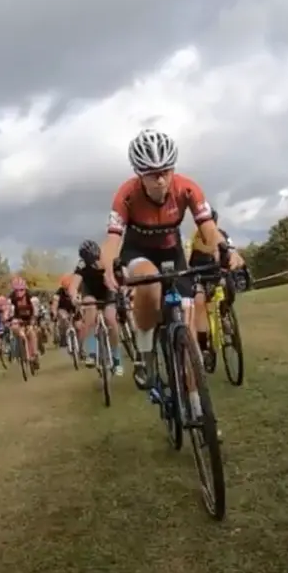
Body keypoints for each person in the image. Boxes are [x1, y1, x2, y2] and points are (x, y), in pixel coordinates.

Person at [99, 128, 245, 402]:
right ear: (139, 174)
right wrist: (107, 266)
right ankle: (146, 356)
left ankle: (197, 408)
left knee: (187, 331)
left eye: (166, 171)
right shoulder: (126, 195)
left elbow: (208, 229)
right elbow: (112, 240)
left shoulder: (187, 188)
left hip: (172, 251)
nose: (160, 180)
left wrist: (225, 249)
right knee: (150, 283)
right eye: (151, 174)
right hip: (138, 251)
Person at [70, 240, 124, 377]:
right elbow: (73, 285)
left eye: (97, 259)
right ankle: (92, 351)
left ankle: (117, 358)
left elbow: (113, 280)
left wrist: (117, 290)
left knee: (110, 318)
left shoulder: (106, 260)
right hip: (90, 292)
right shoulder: (81, 266)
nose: (96, 263)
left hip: (107, 291)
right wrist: (74, 297)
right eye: (91, 261)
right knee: (90, 310)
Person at [189, 210, 235, 371]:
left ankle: (225, 314)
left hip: (218, 274)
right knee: (199, 302)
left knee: (229, 288)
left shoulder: (222, 235)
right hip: (199, 277)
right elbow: (187, 262)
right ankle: (204, 346)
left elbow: (230, 252)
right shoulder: (193, 239)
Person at [6, 276, 40, 370]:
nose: (19, 292)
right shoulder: (11, 299)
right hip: (17, 319)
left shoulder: (32, 298)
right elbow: (7, 313)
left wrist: (32, 322)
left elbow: (35, 313)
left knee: (31, 332)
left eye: (21, 290)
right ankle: (20, 351)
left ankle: (35, 354)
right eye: (16, 290)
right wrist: (6, 319)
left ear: (25, 289)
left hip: (30, 318)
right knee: (15, 328)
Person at [51, 274, 78, 353]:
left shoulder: (76, 290)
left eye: (68, 288)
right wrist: (54, 313)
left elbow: (80, 302)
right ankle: (63, 337)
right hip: (62, 309)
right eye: (65, 288)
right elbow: (54, 305)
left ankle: (80, 344)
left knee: (79, 325)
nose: (67, 291)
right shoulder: (59, 293)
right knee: (63, 317)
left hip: (73, 309)